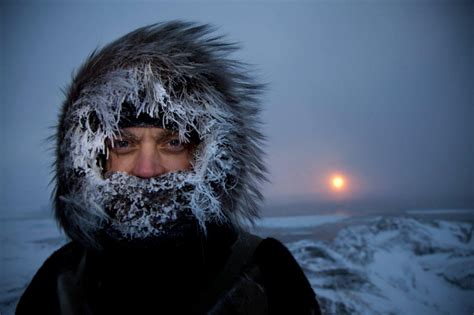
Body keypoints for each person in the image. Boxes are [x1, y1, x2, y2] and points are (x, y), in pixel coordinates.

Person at [16, 21, 321, 315]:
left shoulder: (265, 271)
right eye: (124, 143)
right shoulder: (60, 281)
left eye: (173, 143)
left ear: (206, 156)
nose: (147, 169)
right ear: (94, 157)